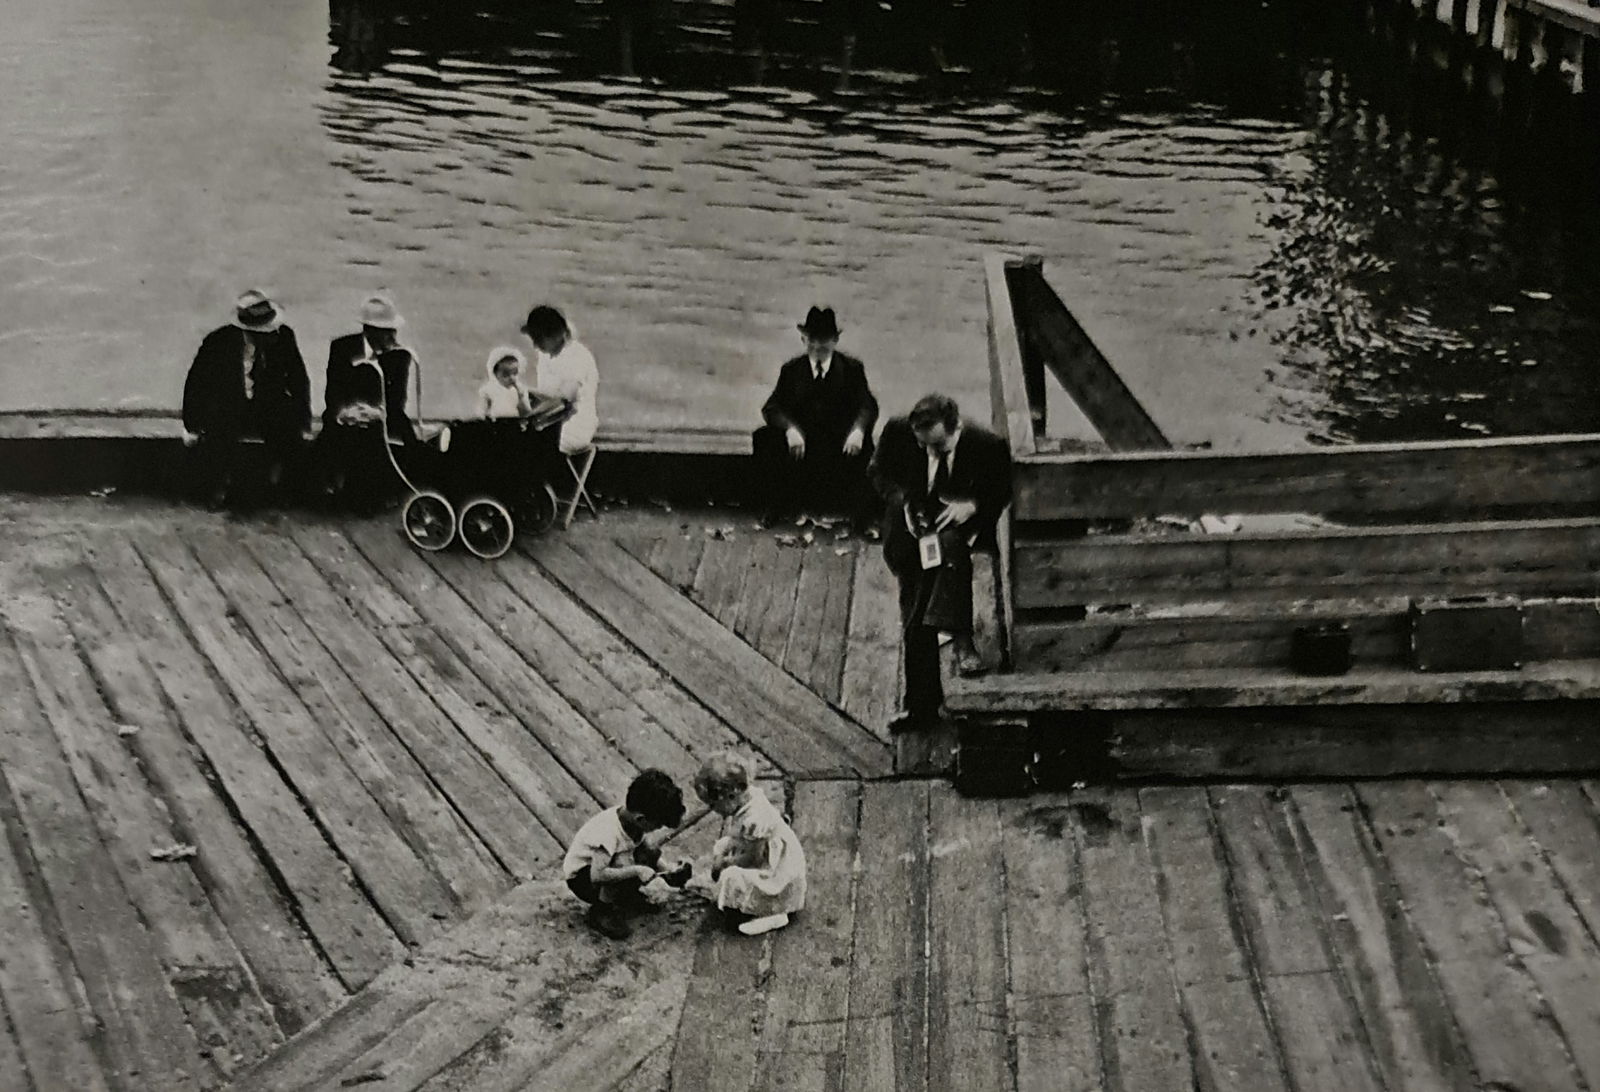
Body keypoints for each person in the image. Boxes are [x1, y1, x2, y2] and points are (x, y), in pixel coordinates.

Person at [869, 393, 1013, 734]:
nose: (930, 454)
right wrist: (903, 502)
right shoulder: (897, 431)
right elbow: (878, 472)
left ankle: (954, 648)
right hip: (911, 532)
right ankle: (923, 704)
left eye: (939, 447)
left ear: (956, 428)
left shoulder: (986, 445)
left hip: (955, 532)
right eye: (924, 446)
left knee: (938, 590)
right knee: (915, 616)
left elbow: (1003, 488)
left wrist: (973, 505)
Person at [181, 289, 312, 510]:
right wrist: (191, 425)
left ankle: (284, 488)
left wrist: (304, 421)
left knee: (289, 436)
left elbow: (299, 380)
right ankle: (218, 487)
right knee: (218, 435)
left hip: (267, 404)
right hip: (230, 405)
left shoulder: (283, 337)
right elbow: (196, 384)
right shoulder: (217, 342)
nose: (267, 335)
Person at [752, 306, 879, 530]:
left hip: (839, 442)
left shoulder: (852, 369)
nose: (818, 346)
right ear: (804, 339)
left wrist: (858, 430)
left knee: (867, 445)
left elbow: (867, 405)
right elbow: (772, 407)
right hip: (803, 444)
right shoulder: (792, 370)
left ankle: (862, 518)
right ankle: (773, 507)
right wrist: (790, 429)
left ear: (835, 340)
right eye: (813, 339)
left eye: (825, 340)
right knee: (764, 438)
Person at [318, 294, 420, 510]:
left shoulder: (400, 355)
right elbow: (333, 391)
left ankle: (392, 487)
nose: (392, 336)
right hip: (348, 414)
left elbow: (398, 398)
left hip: (383, 415)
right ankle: (333, 485)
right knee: (334, 438)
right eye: (386, 331)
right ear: (370, 330)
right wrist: (346, 412)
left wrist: (376, 412)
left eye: (393, 330)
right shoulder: (342, 348)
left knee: (403, 442)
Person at [562, 769, 688, 940]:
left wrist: (667, 870)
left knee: (649, 851)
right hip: (583, 879)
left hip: (605, 868)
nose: (658, 829)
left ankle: (627, 897)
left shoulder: (632, 822)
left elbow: (644, 849)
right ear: (641, 819)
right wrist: (637, 871)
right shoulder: (608, 832)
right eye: (657, 825)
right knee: (623, 862)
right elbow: (597, 876)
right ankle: (602, 910)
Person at [692, 752, 806, 936]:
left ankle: (773, 912)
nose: (714, 810)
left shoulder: (754, 820)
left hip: (779, 871)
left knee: (730, 876)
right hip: (764, 852)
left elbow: (752, 859)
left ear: (730, 796)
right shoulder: (750, 796)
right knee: (723, 845)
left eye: (714, 805)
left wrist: (725, 863)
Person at [522, 305, 598, 457]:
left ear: (557, 335)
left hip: (575, 424)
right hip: (550, 420)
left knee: (526, 444)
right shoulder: (546, 355)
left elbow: (563, 403)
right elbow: (545, 396)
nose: (535, 345)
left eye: (539, 339)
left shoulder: (577, 356)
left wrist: (531, 415)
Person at [477, 346, 534, 420]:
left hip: (515, 423)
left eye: (515, 373)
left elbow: (527, 413)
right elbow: (482, 413)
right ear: (495, 375)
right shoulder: (487, 391)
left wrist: (521, 398)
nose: (512, 378)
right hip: (496, 423)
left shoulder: (520, 390)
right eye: (506, 375)